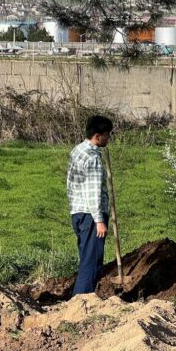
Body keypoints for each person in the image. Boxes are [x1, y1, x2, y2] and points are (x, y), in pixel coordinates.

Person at [67, 115, 113, 295]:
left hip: (78, 213)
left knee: (86, 259)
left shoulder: (77, 150)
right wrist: (99, 220)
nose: (109, 138)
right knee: (91, 262)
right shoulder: (92, 158)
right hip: (91, 216)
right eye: (107, 134)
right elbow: (92, 192)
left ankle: (79, 302)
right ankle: (82, 303)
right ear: (97, 135)